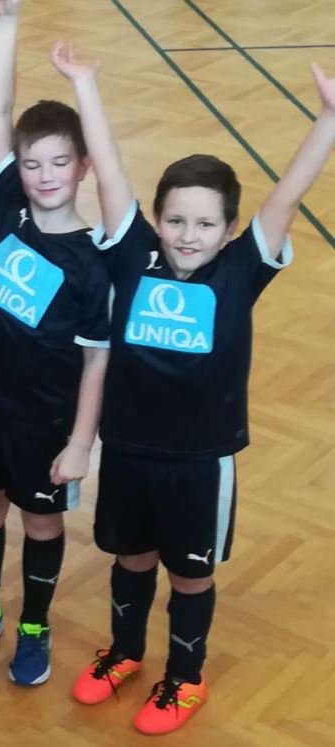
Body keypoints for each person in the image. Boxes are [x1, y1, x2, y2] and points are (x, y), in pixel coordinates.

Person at [54, 42, 335, 735]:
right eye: (175, 220)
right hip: (128, 449)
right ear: (155, 219)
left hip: (200, 463)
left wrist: (329, 120)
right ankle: (124, 651)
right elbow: (110, 172)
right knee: (130, 558)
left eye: (206, 224)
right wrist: (84, 84)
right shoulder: (132, 256)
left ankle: (185, 677)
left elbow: (288, 194)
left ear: (231, 229)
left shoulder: (240, 270)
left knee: (189, 574)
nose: (188, 235)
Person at [0, 0, 111, 688]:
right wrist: (7, 23)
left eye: (59, 163)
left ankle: (35, 624)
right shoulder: (8, 209)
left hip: (43, 422)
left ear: (84, 168)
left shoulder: (94, 263)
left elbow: (97, 359)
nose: (44, 175)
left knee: (41, 525)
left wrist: (80, 442)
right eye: (32, 163)